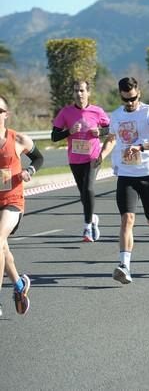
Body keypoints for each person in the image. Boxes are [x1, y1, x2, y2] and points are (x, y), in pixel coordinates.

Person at [99, 77, 149, 284]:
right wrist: (101, 155)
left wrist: (142, 147)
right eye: (126, 100)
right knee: (127, 219)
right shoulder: (115, 116)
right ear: (120, 96)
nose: (130, 103)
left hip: (148, 174)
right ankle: (124, 265)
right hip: (126, 175)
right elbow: (112, 138)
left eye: (133, 98)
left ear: (138, 93)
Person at [0, 95, 43, 317]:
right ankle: (18, 285)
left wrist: (29, 171)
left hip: (12, 202)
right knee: (2, 247)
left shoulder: (17, 140)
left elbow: (38, 158)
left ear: (6, 114)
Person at [52, 80, 110, 242]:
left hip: (93, 157)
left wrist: (100, 131)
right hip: (75, 158)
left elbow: (112, 129)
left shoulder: (97, 112)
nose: (79, 94)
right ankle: (93, 218)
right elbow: (54, 136)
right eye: (76, 91)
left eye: (82, 90)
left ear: (88, 92)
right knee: (84, 194)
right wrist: (69, 131)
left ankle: (87, 228)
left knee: (89, 189)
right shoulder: (66, 112)